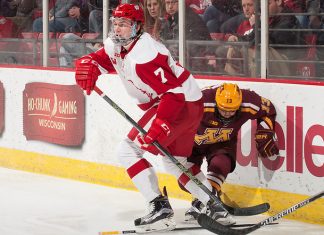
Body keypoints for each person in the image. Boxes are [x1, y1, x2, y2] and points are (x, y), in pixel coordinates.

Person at [74, 3, 234, 232]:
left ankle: (159, 209)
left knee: (128, 150)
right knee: (175, 161)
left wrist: (163, 123)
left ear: (137, 27)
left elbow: (174, 93)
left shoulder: (146, 55)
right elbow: (104, 58)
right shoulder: (116, 44)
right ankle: (212, 205)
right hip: (186, 102)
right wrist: (89, 64)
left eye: (124, 24)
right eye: (115, 23)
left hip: (179, 104)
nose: (117, 29)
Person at [181, 83, 279, 221]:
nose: (227, 114)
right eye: (223, 109)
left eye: (232, 110)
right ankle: (205, 199)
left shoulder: (249, 101)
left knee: (221, 164)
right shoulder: (201, 101)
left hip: (222, 142)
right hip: (192, 143)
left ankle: (205, 200)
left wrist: (264, 135)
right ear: (216, 103)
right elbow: (175, 115)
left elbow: (269, 110)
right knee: (184, 180)